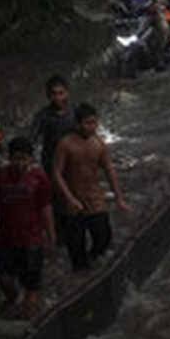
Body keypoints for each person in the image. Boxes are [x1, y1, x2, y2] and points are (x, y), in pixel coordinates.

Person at [52, 103, 131, 271]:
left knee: (103, 238)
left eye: (94, 123)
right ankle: (80, 273)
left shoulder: (98, 144)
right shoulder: (65, 144)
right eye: (88, 123)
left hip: (95, 199)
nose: (92, 127)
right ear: (78, 124)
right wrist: (69, 198)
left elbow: (109, 171)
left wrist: (119, 198)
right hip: (73, 202)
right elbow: (57, 174)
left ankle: (93, 263)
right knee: (75, 248)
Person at [0, 138, 55, 319]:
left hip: (32, 239)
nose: (20, 163)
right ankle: (13, 301)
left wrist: (51, 236)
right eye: (16, 158)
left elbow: (45, 208)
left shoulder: (39, 177)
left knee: (31, 284)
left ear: (31, 159)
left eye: (24, 159)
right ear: (9, 158)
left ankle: (29, 319)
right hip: (6, 238)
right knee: (4, 279)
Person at [29, 74, 77, 242]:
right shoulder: (43, 116)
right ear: (49, 96)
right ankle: (57, 235)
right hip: (51, 162)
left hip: (73, 161)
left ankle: (75, 230)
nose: (58, 97)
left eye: (61, 93)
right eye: (54, 94)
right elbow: (32, 138)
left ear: (67, 93)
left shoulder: (75, 112)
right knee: (55, 199)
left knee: (75, 194)